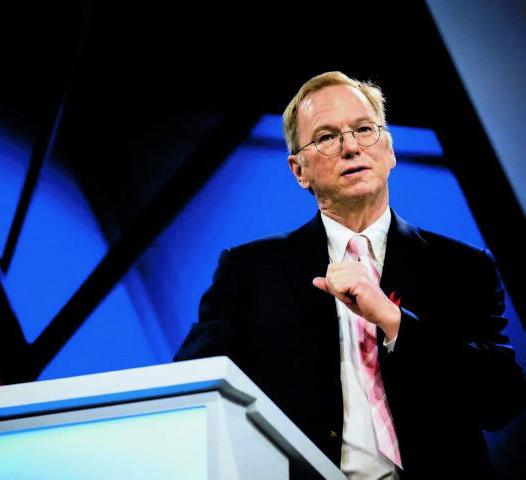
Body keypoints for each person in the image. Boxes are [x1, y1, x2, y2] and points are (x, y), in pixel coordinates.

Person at [173, 71, 526, 479]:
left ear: (389, 150)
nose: (351, 147)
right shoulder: (248, 271)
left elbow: (501, 399)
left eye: (364, 129)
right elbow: (190, 392)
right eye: (326, 137)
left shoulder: (465, 267)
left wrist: (393, 321)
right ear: (299, 170)